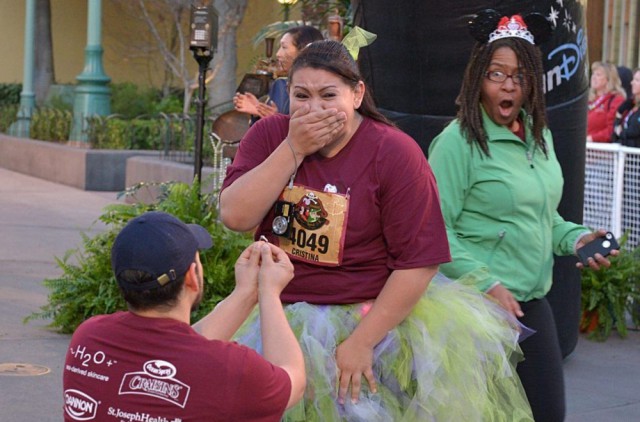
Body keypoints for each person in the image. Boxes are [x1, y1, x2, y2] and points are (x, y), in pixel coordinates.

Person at [221, 39, 533, 421]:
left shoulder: (394, 152)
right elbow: (236, 216)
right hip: (278, 318)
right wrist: (294, 148)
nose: (314, 108)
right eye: (301, 95)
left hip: (370, 320)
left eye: (328, 95)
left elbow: (419, 262)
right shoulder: (270, 136)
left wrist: (362, 341)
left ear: (357, 94)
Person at [428, 11, 619, 422]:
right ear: (478, 77)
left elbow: (543, 218)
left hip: (531, 304)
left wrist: (576, 239)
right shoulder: (457, 143)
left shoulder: (540, 135)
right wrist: (488, 283)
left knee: (547, 413)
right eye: (496, 74)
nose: (508, 85)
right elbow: (434, 233)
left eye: (519, 76)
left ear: (533, 81)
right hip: (473, 308)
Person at [62, 211, 305, 422]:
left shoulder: (89, 338)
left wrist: (246, 294)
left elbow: (181, 352)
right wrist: (270, 294)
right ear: (192, 276)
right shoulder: (231, 368)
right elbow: (293, 379)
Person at [233, 26, 324, 122]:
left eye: (284, 47)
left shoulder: (322, 87)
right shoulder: (282, 85)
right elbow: (266, 131)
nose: (278, 54)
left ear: (303, 51)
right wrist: (259, 111)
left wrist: (277, 120)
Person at [587, 61, 626, 142]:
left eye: (598, 75)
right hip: (585, 149)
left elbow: (612, 130)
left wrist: (591, 138)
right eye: (593, 74)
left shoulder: (616, 100)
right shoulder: (589, 99)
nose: (593, 77)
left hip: (603, 151)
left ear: (609, 79)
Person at [611, 67, 640, 147]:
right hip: (623, 153)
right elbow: (615, 126)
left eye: (637, 80)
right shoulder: (629, 104)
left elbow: (635, 131)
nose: (632, 83)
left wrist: (620, 132)